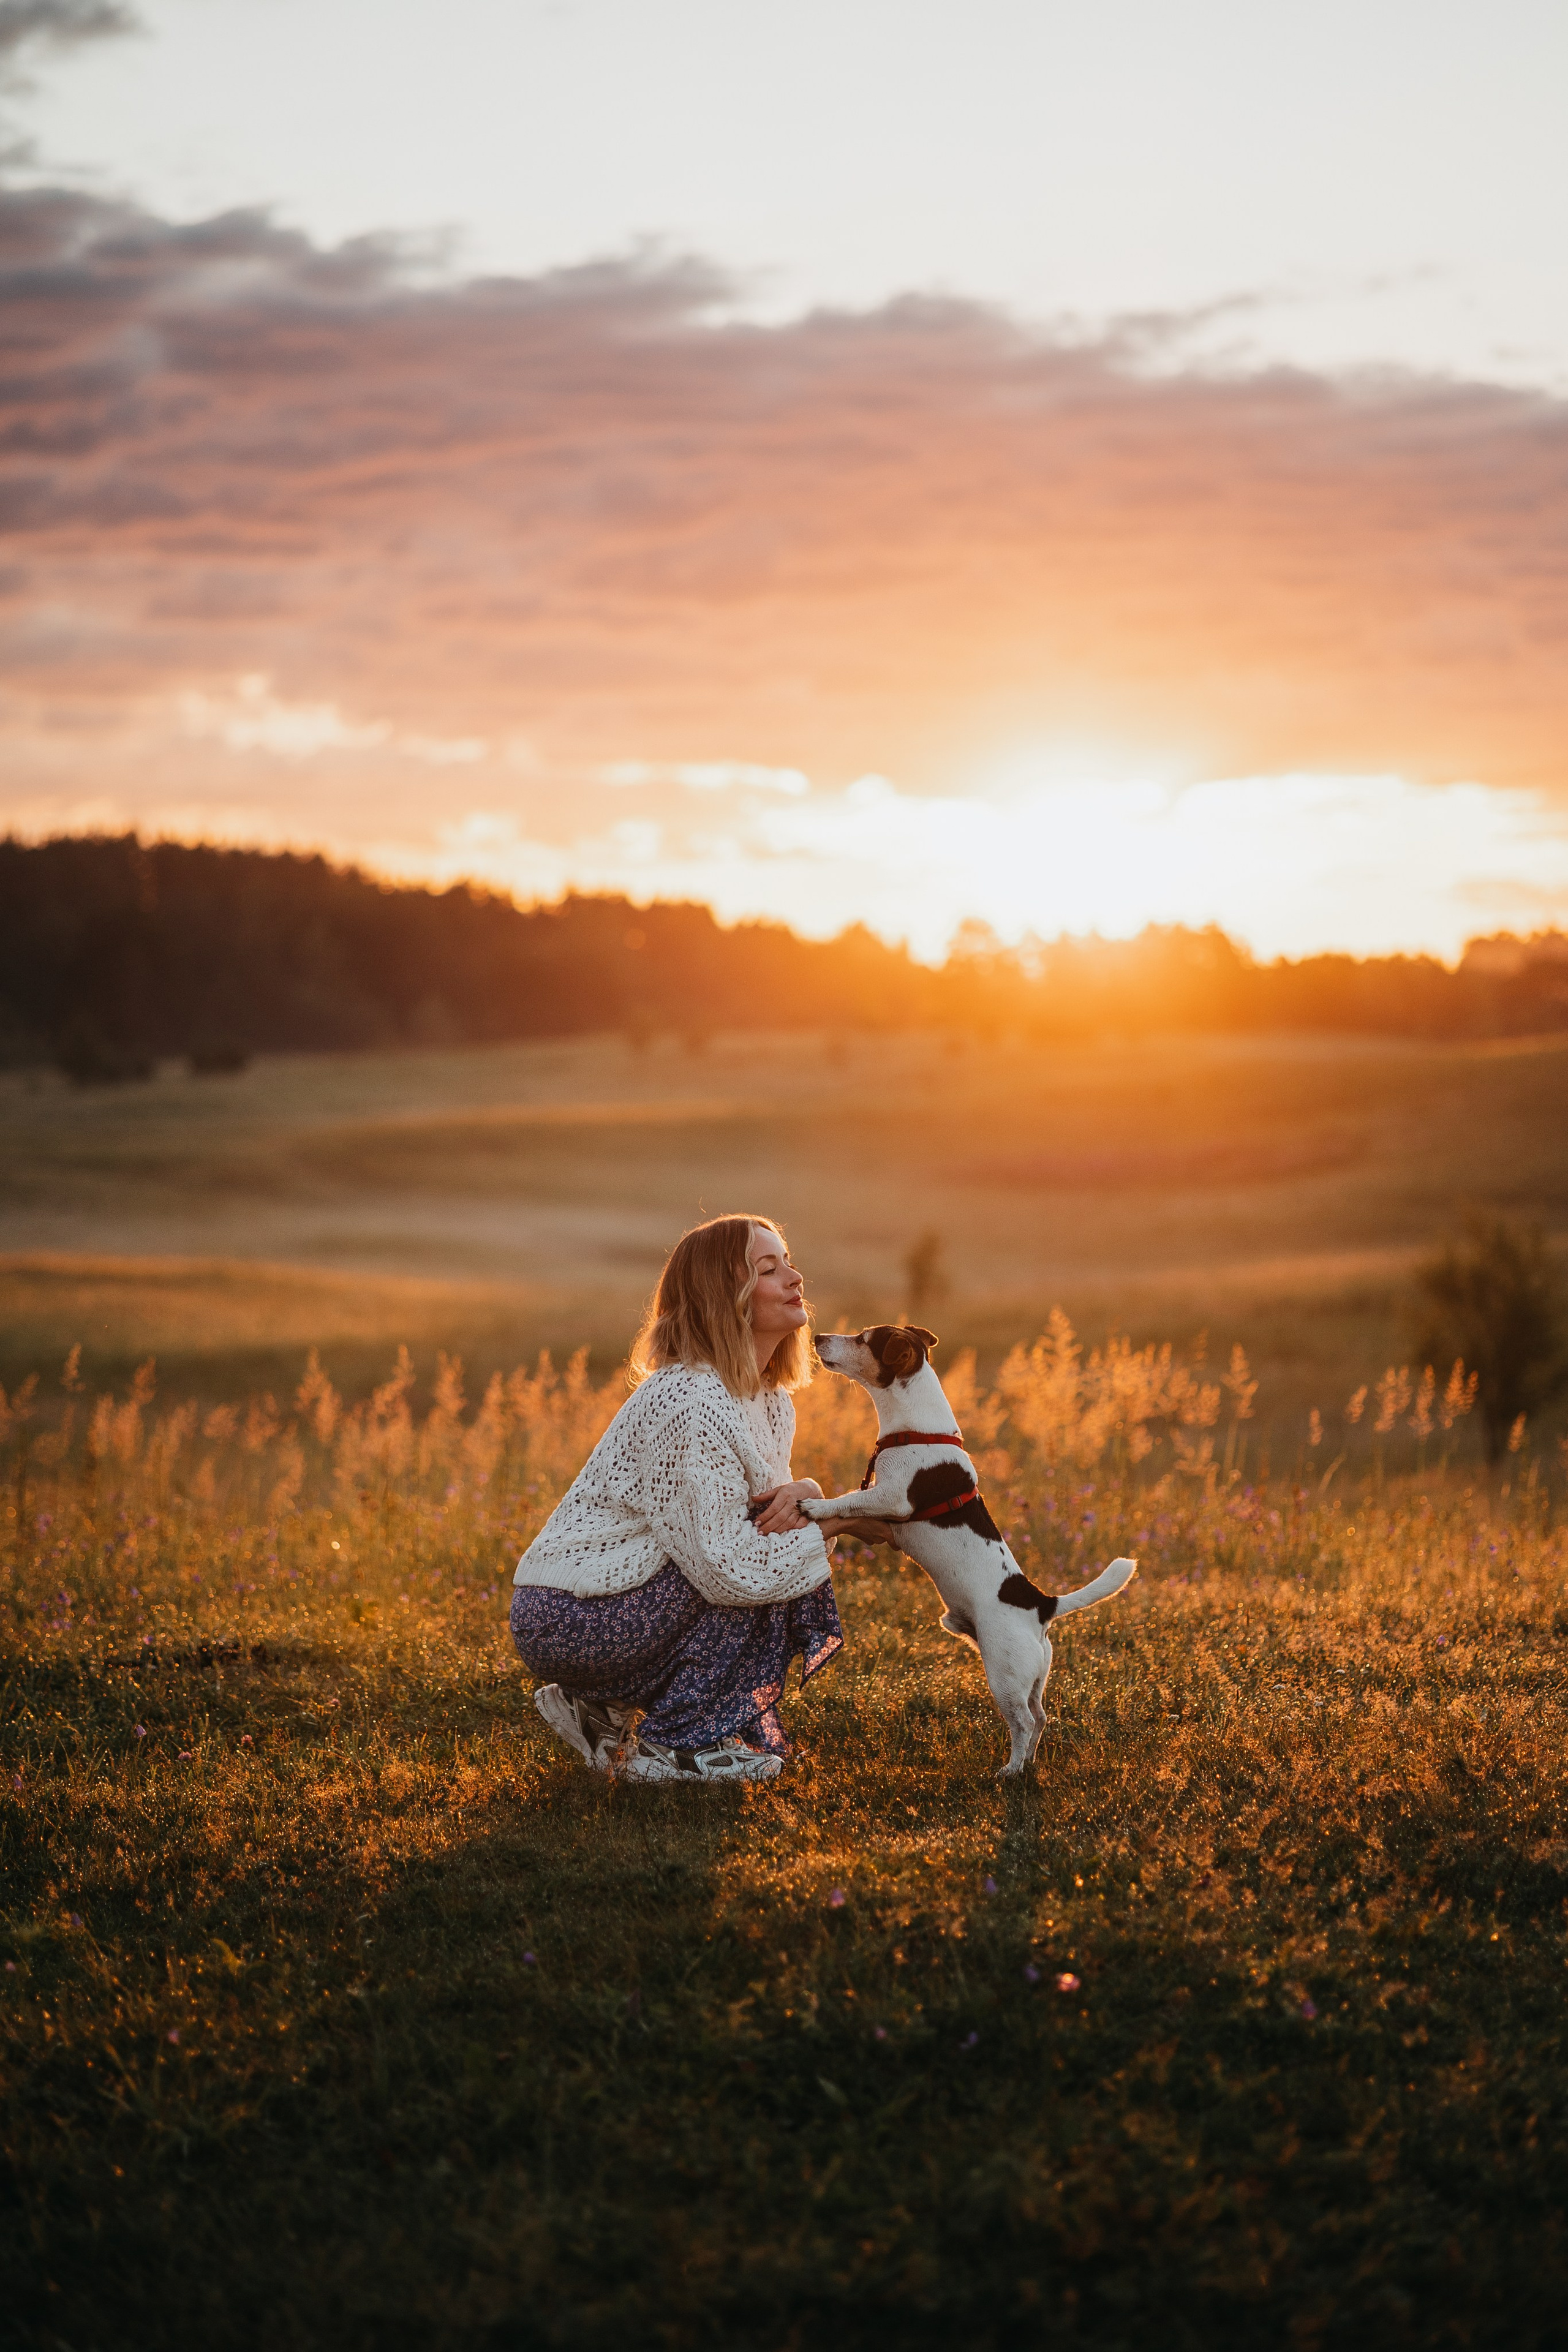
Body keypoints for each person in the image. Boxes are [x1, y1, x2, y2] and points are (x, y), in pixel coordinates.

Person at [510, 1213, 887, 1783]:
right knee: (753, 1571)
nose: (794, 1276)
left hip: (624, 1600)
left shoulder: (768, 1399)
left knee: (772, 1557)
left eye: (787, 1260)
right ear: (726, 1296)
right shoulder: (690, 1398)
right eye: (769, 1267)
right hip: (570, 1614)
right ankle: (675, 1747)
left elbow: (765, 1512)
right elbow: (725, 1568)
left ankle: (602, 1708)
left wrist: (809, 1496)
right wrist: (830, 1519)